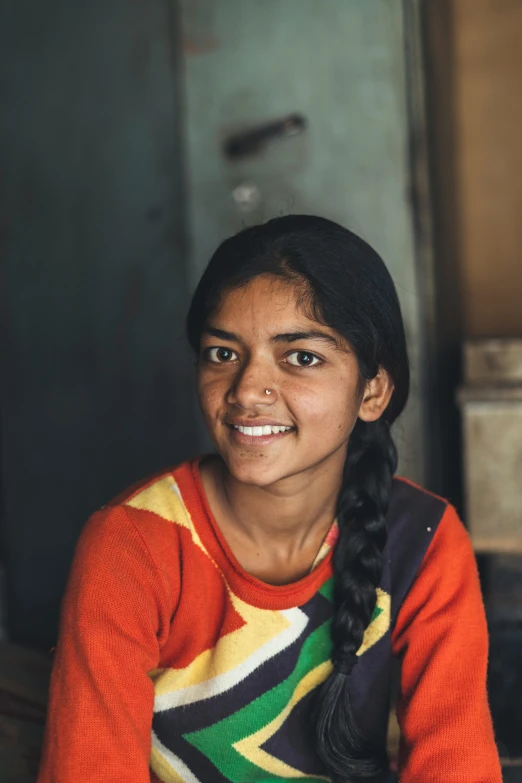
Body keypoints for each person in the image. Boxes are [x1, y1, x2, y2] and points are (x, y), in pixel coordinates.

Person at [38, 215, 502, 783]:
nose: (246, 391)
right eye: (222, 353)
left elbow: (457, 765)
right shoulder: (133, 544)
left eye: (301, 357)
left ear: (373, 391)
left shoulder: (423, 540)